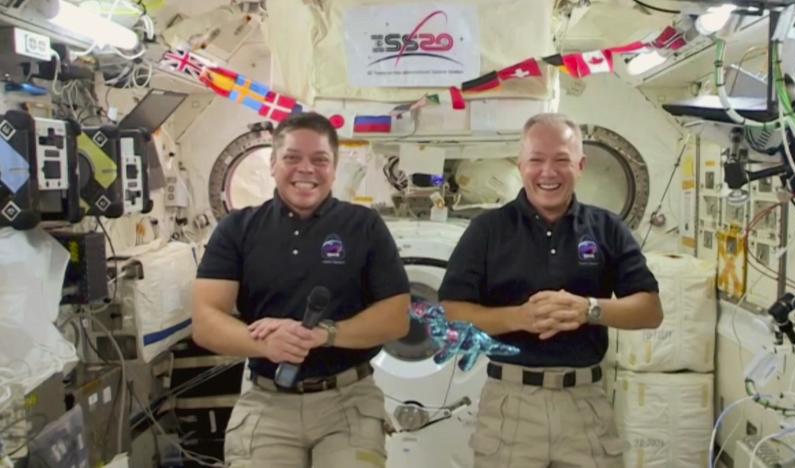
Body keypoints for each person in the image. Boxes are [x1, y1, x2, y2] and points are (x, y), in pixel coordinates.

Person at [439, 113, 663, 468]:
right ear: (520, 165)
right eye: (536, 160)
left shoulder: (607, 228)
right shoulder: (487, 230)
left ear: (581, 164)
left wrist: (589, 309)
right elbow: (452, 315)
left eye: (561, 160)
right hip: (509, 406)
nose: (548, 172)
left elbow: (650, 309)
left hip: (584, 404)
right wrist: (520, 317)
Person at [192, 112, 410, 468]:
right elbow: (205, 320)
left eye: (320, 160)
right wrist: (265, 343)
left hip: (348, 403)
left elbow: (396, 317)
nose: (305, 169)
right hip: (268, 403)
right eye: (292, 158)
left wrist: (325, 335)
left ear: (334, 169)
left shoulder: (364, 226)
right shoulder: (237, 229)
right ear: (273, 164)